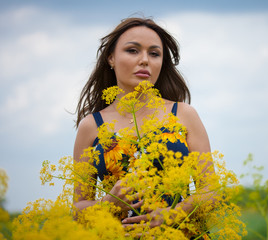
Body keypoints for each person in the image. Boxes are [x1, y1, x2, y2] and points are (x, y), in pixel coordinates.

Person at [73, 17, 214, 236]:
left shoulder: (184, 115)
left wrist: (172, 215)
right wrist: (109, 203)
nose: (145, 60)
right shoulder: (91, 126)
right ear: (111, 58)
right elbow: (78, 209)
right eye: (132, 51)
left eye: (154, 53)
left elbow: (211, 192)